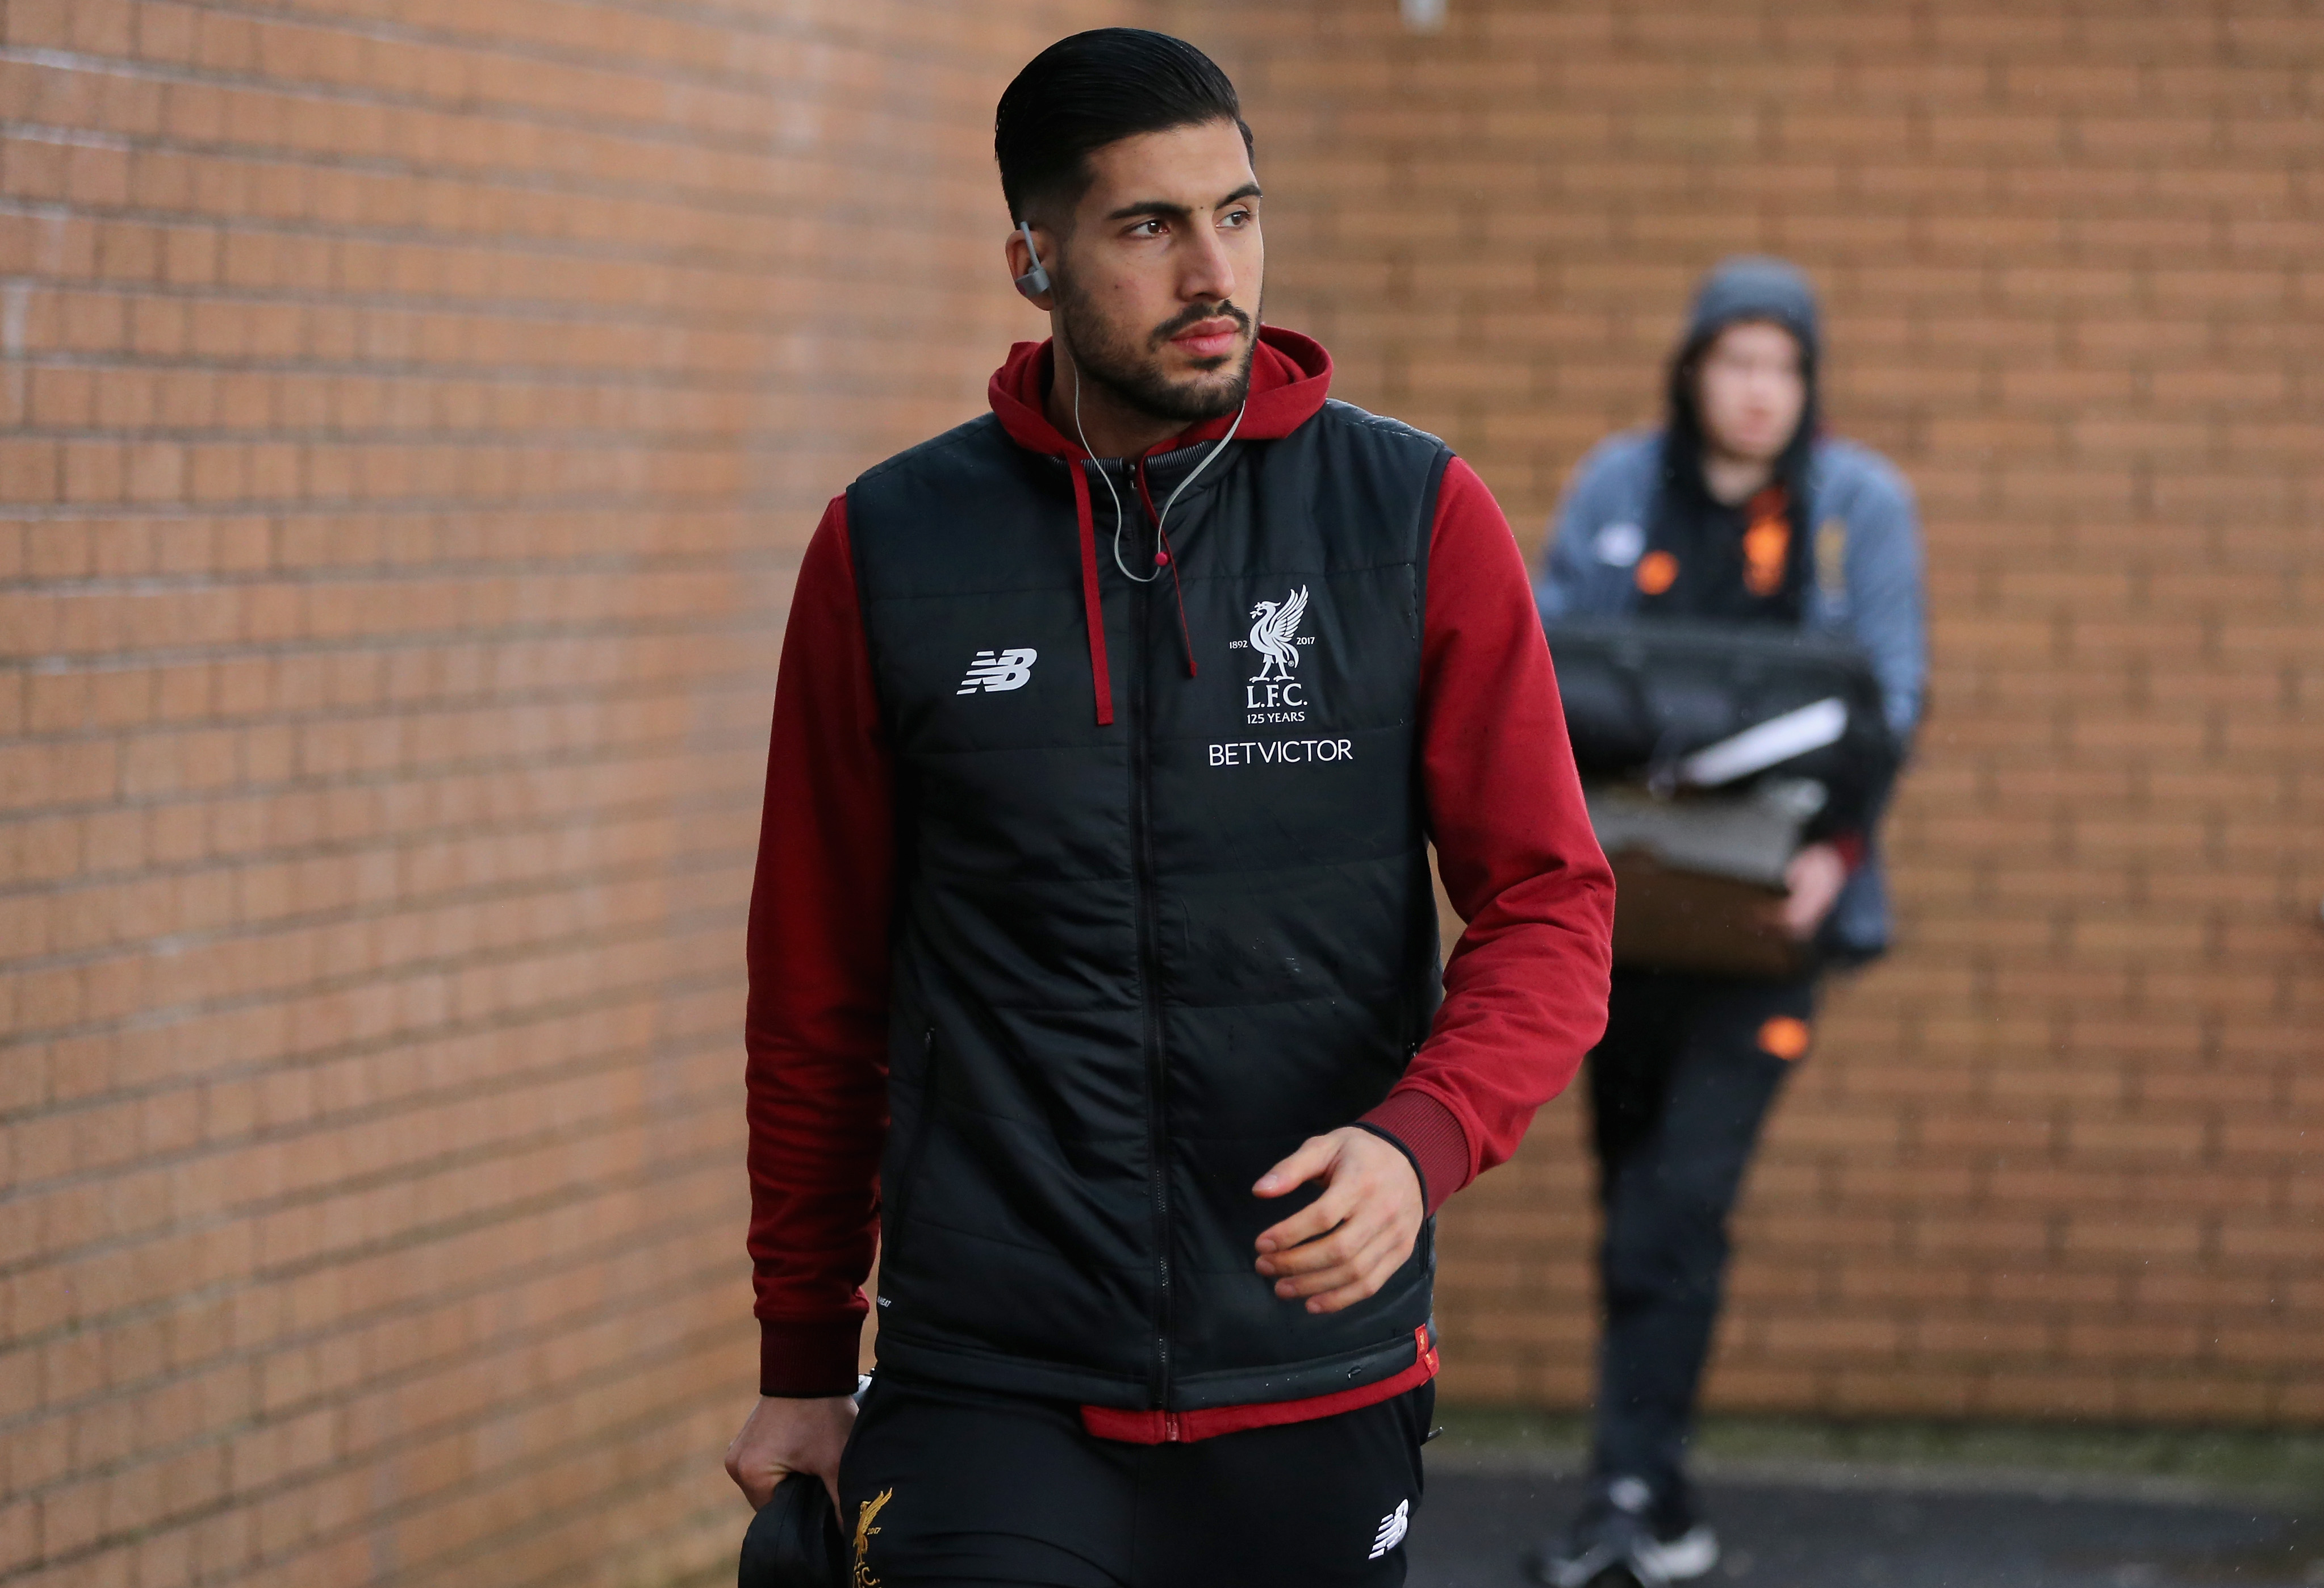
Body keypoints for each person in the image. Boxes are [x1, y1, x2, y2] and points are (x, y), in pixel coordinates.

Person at [723, 28, 1616, 1588]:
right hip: (990, 1380)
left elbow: (1552, 899)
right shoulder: (888, 548)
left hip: (1311, 1372)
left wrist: (1421, 1142)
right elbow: (816, 987)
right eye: (1149, 226)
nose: (1215, 270)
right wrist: (804, 1350)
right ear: (1033, 256)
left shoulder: (1409, 520)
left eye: (1238, 214)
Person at [1526, 258, 1928, 1587]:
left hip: (1766, 926)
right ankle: (1657, 1494)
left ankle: (1628, 1498)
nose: (1756, 393)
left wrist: (1835, 854)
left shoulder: (1856, 507)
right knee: (1636, 1206)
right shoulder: (1617, 488)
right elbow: (1545, 671)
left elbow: (1893, 697)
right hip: (1627, 923)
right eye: (1733, 362)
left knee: (1675, 1206)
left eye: (1782, 368)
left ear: (1806, 387)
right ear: (1692, 371)